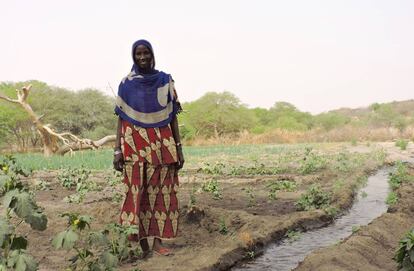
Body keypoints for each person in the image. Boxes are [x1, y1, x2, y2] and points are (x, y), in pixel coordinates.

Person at [113, 39, 184, 257]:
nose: (142, 58)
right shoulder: (126, 83)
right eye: (138, 54)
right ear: (133, 57)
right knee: (137, 194)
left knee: (161, 192)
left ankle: (157, 242)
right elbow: (121, 118)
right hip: (134, 144)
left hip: (162, 144)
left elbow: (172, 117)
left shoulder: (165, 80)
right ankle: (142, 243)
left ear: (152, 54)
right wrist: (117, 150)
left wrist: (179, 148)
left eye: (146, 53)